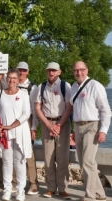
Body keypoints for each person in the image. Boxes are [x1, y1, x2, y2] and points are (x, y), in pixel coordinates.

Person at [70, 61, 111, 201]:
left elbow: (106, 111)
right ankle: (100, 194)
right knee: (83, 162)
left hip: (92, 125)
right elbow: (74, 109)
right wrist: (73, 130)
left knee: (88, 161)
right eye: (76, 70)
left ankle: (90, 196)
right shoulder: (73, 87)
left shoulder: (96, 86)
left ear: (87, 70)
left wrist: (103, 130)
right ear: (73, 72)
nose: (79, 72)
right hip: (78, 126)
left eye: (81, 69)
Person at [0, 69, 32, 201]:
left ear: (18, 79)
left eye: (14, 78)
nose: (12, 80)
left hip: (20, 132)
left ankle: (20, 190)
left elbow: (27, 113)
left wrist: (11, 126)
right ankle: (7, 189)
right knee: (7, 162)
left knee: (19, 161)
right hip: (3, 134)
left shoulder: (24, 94)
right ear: (6, 79)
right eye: (9, 78)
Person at [35, 62, 72, 199]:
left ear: (59, 72)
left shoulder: (65, 86)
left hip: (62, 123)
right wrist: (49, 125)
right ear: (46, 72)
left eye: (54, 70)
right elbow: (38, 108)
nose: (51, 72)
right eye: (49, 70)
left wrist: (58, 125)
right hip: (47, 123)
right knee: (48, 157)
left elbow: (69, 108)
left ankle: (63, 188)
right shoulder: (41, 87)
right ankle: (50, 188)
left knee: (62, 158)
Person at [12, 61, 39, 195]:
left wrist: (33, 127)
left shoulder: (32, 88)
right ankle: (13, 182)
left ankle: (33, 183)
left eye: (24, 70)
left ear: (27, 72)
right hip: (12, 121)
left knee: (29, 154)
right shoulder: (11, 84)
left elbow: (35, 109)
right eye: (19, 70)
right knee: (12, 151)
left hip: (26, 121)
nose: (21, 73)